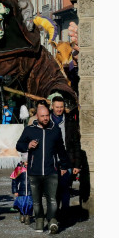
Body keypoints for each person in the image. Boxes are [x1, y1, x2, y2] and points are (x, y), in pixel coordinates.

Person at [16, 100, 70, 234]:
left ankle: (52, 220)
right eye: (42, 116)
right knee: (37, 201)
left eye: (47, 115)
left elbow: (61, 150)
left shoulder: (55, 130)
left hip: (51, 170)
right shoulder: (29, 130)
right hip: (34, 172)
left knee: (52, 199)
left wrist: (64, 165)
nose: (45, 118)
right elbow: (19, 145)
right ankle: (39, 220)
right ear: (37, 117)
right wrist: (28, 145)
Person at [50, 96, 82, 225]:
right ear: (52, 106)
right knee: (53, 189)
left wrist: (77, 164)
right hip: (51, 161)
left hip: (66, 160)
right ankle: (54, 214)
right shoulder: (47, 121)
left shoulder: (69, 121)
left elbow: (76, 144)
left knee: (65, 188)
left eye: (61, 107)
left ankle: (64, 214)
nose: (59, 109)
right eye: (57, 107)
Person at [11, 153, 33, 224]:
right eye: (26, 162)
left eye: (28, 162)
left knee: (29, 204)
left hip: (30, 191)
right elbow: (14, 180)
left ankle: (28, 216)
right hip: (21, 191)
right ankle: (22, 214)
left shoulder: (32, 168)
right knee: (21, 204)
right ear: (23, 161)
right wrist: (15, 191)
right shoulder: (19, 169)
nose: (27, 164)